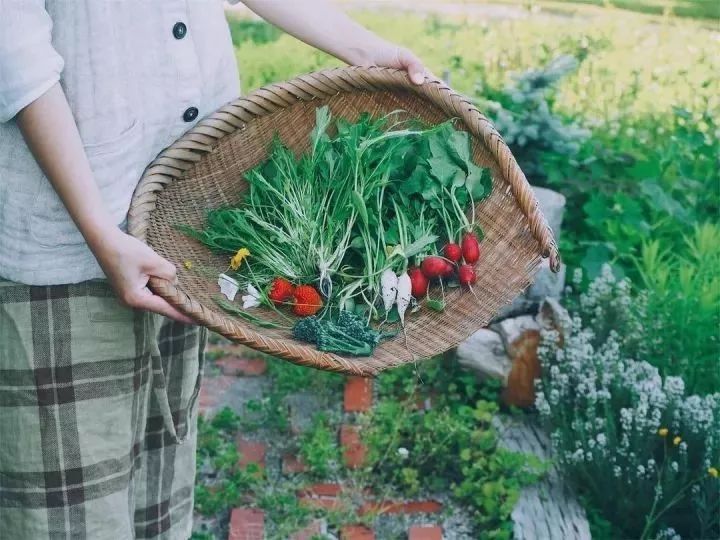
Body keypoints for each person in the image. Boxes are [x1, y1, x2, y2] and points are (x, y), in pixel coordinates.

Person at [0, 1, 427, 538]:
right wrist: (98, 230)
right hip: (64, 239)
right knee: (67, 513)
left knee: (157, 489)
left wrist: (368, 51)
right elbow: (14, 49)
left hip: (186, 211)